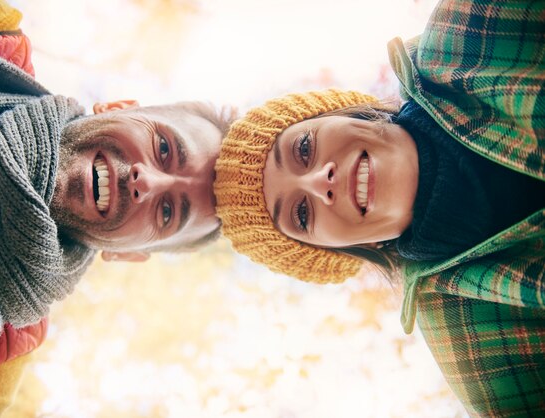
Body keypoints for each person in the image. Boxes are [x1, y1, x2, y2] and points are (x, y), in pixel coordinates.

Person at [214, 0, 544, 416]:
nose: (321, 182)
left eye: (303, 149)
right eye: (301, 214)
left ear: (346, 111)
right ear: (342, 251)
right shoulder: (475, 350)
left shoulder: (470, 30)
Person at [0, 1, 233, 417]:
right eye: (164, 148)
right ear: (119, 108)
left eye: (168, 213)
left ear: (128, 254)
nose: (146, 182)